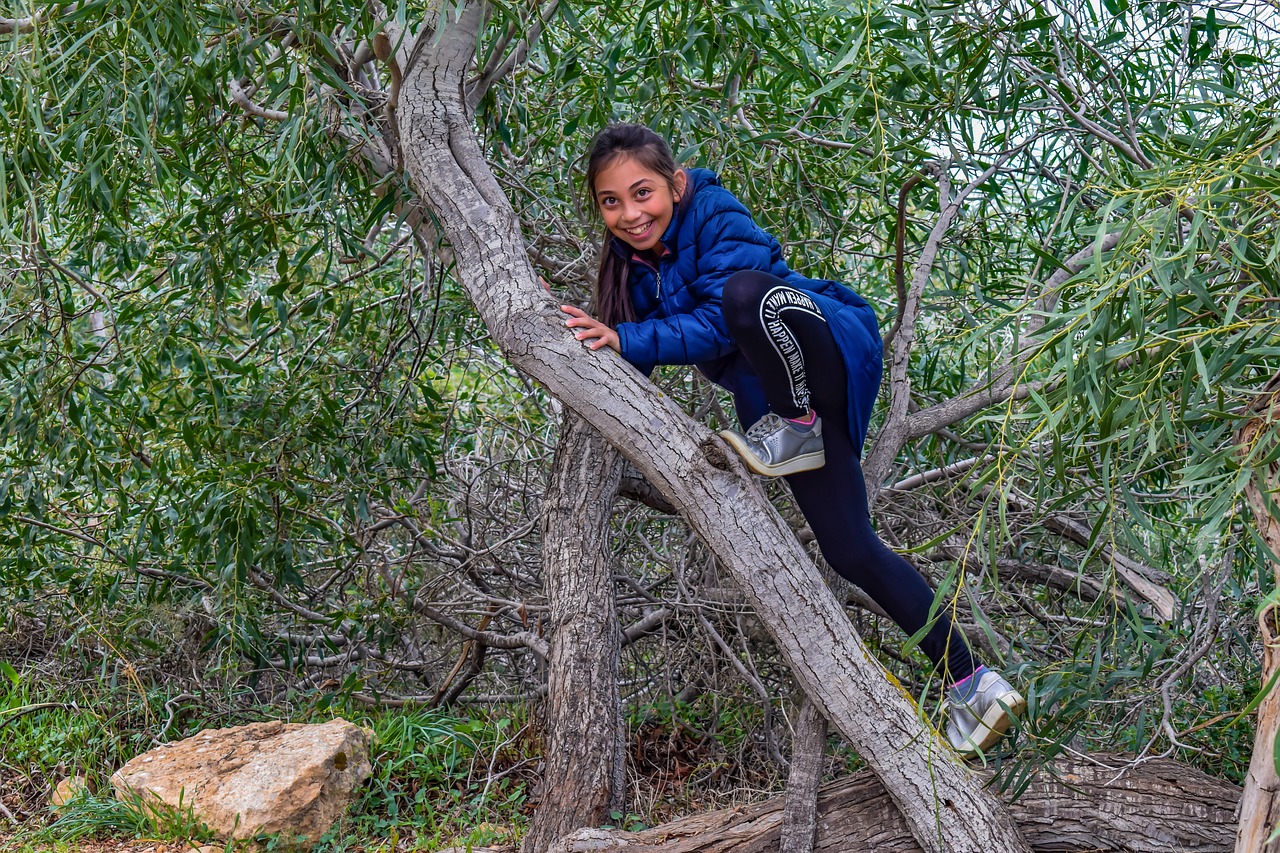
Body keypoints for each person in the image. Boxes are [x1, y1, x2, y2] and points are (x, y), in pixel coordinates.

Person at [560, 122, 1024, 757]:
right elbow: (633, 357)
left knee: (746, 294)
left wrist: (629, 339)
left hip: (816, 341)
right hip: (772, 408)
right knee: (852, 550)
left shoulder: (714, 211)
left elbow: (720, 325)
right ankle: (974, 685)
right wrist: (598, 343)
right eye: (610, 202)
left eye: (642, 193)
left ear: (675, 182)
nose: (629, 213)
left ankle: (798, 424)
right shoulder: (633, 270)